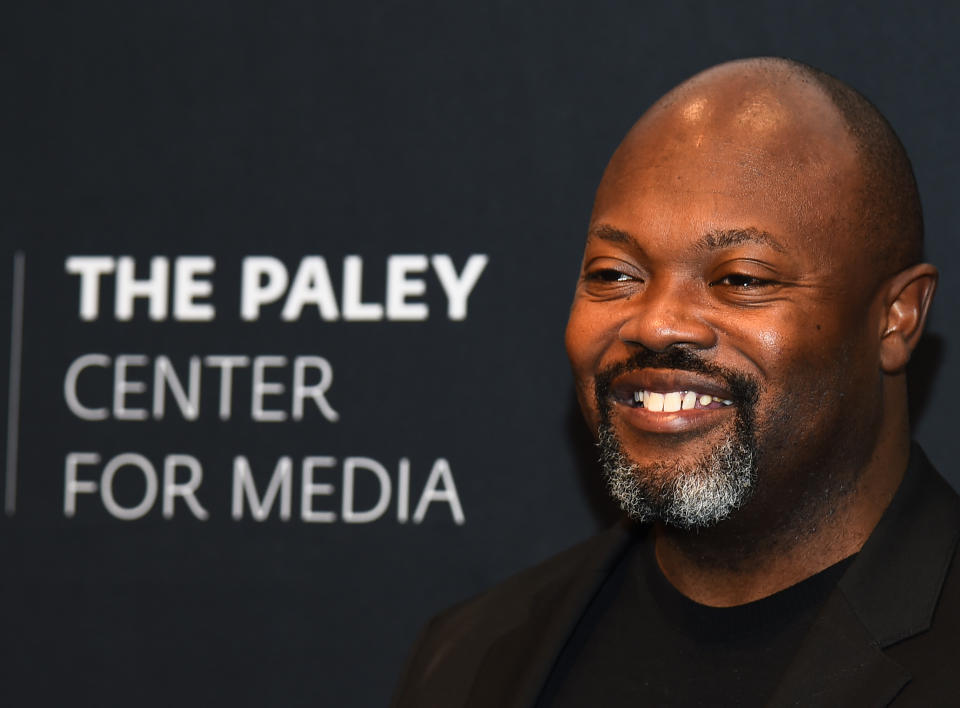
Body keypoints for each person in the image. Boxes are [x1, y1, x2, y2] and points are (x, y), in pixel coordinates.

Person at [392, 57, 960, 707]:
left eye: (740, 279)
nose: (657, 324)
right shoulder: (467, 657)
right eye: (614, 275)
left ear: (897, 317)